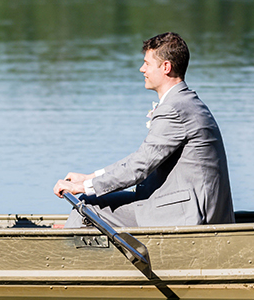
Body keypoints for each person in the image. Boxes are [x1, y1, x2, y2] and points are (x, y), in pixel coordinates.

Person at [54, 32, 234, 227]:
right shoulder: (184, 102)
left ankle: (60, 249)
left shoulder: (174, 110)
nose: (142, 69)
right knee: (95, 201)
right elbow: (141, 157)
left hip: (188, 214)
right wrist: (91, 177)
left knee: (87, 209)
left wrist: (82, 186)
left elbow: (139, 167)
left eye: (147, 63)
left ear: (166, 67)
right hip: (184, 205)